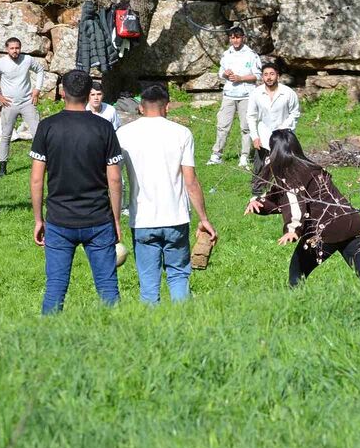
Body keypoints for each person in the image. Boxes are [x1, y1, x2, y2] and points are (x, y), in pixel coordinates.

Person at [29, 69, 123, 315]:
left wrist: (39, 219)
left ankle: (50, 340)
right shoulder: (104, 128)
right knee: (108, 287)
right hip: (99, 218)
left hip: (59, 220)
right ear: (87, 94)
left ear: (62, 92)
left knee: (56, 287)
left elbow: (37, 179)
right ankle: (116, 337)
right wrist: (115, 219)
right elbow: (114, 178)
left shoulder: (47, 127)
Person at [117, 85, 217, 304]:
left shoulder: (123, 134)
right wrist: (204, 219)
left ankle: (155, 330)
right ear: (168, 106)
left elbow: (114, 179)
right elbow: (190, 181)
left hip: (142, 219)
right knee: (179, 274)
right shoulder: (182, 133)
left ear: (141, 108)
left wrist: (113, 217)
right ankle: (182, 322)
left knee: (148, 282)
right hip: (176, 218)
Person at [244, 129, 360, 287]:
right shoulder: (311, 168)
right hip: (351, 222)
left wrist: (293, 229)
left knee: (297, 274)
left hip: (325, 229)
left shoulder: (290, 176)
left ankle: (298, 306)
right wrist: (259, 203)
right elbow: (280, 197)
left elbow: (294, 205)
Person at [0, 37, 44, 178]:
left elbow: (40, 70)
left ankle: (41, 163)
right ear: (7, 49)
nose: (15, 51)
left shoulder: (27, 59)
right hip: (9, 104)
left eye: (17, 48)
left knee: (38, 134)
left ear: (20, 48)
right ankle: (2, 166)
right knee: (6, 136)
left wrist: (37, 89)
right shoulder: (1, 63)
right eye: (12, 48)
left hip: (27, 102)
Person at [207, 26, 262, 168]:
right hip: (229, 95)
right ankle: (216, 154)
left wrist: (241, 78)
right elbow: (221, 73)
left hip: (246, 95)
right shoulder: (227, 54)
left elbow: (257, 75)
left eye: (237, 37)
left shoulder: (251, 54)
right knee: (222, 125)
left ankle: (244, 156)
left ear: (243, 38)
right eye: (232, 37)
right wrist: (226, 74)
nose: (235, 40)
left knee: (246, 126)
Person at [246, 62, 300, 196]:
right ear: (262, 77)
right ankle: (257, 191)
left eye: (271, 74)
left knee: (287, 163)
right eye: (265, 75)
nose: (269, 77)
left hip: (284, 135)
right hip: (264, 134)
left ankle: (288, 188)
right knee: (260, 164)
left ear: (278, 76)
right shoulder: (256, 93)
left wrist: (284, 129)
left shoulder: (288, 93)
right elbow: (251, 116)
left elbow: (295, 113)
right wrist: (255, 137)